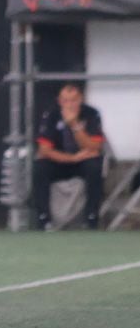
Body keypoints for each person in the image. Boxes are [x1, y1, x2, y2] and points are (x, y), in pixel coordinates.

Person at [34, 82, 105, 230]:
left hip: (83, 162)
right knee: (40, 167)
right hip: (61, 161)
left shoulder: (91, 114)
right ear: (59, 101)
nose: (70, 104)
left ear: (81, 99)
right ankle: (43, 219)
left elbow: (94, 147)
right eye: (65, 100)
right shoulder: (51, 115)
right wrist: (72, 158)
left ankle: (91, 219)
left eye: (73, 100)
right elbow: (45, 150)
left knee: (94, 166)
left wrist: (75, 125)